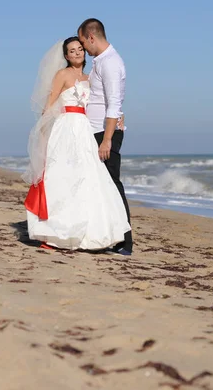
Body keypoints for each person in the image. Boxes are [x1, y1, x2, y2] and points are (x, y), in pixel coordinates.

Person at [22, 37, 131, 251]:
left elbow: (102, 102)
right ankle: (54, 233)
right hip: (65, 127)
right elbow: (50, 104)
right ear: (66, 56)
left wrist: (119, 115)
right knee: (62, 176)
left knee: (86, 178)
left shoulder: (90, 78)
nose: (77, 53)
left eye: (80, 49)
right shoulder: (61, 75)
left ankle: (87, 232)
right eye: (72, 51)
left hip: (85, 129)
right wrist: (44, 135)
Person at [78, 18, 133, 255]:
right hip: (96, 130)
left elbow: (113, 104)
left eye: (83, 42)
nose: (83, 48)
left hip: (104, 133)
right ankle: (106, 235)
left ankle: (125, 242)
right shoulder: (100, 61)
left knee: (113, 185)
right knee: (100, 187)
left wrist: (108, 139)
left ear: (91, 37)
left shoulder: (110, 62)